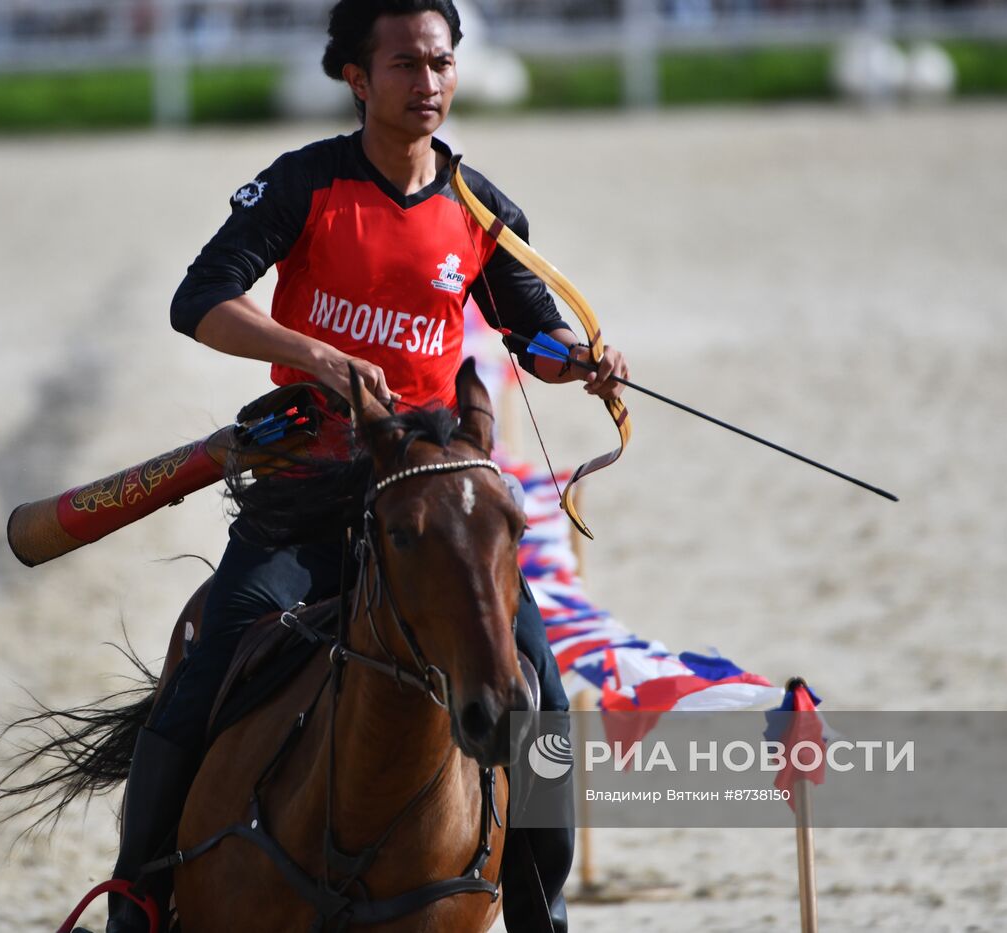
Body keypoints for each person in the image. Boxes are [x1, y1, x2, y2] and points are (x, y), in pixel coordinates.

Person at [96, 0, 628, 930]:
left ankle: (541, 909)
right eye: (406, 65)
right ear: (356, 76)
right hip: (304, 491)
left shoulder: (481, 210)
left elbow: (527, 327)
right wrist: (312, 353)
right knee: (194, 688)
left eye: (441, 63)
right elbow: (200, 300)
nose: (429, 84)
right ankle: (137, 899)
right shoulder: (304, 185)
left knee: (537, 699)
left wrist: (576, 359)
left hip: (432, 501)